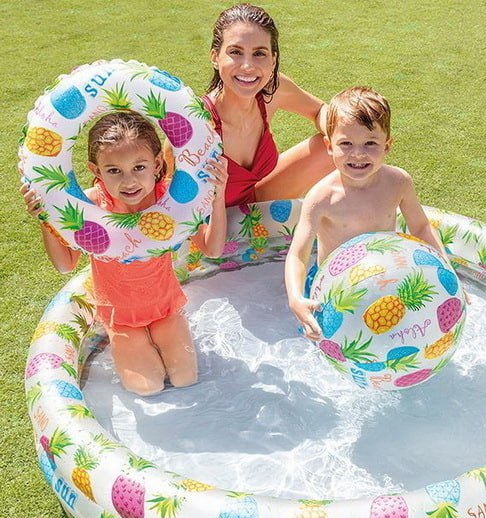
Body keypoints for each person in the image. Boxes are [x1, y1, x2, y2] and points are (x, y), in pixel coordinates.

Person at [21, 110, 228, 396]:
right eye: (114, 171)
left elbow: (212, 249)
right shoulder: (89, 206)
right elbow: (66, 265)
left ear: (157, 164)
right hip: (120, 318)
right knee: (148, 388)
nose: (129, 181)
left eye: (139, 167)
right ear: (96, 171)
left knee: (185, 379)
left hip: (165, 309)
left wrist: (218, 196)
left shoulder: (170, 200)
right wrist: (46, 219)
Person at [285, 86, 454, 341]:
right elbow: (298, 254)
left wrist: (446, 270)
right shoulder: (322, 198)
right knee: (325, 344)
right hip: (334, 291)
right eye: (346, 144)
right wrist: (296, 298)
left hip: (387, 280)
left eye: (370, 143)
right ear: (329, 146)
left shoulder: (398, 183)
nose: (358, 154)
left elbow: (420, 227)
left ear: (387, 146)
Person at [199, 3, 334, 206]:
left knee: (339, 144)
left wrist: (345, 135)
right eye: (235, 52)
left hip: (258, 201)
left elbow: (321, 111)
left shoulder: (273, 89)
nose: (248, 66)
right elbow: (167, 193)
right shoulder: (197, 123)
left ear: (273, 59)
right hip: (211, 219)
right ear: (215, 57)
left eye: (259, 53)